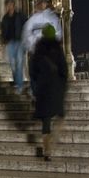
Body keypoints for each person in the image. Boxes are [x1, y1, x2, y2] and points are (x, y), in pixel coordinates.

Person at [29, 24, 67, 161]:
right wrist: (63, 86)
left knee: (46, 121)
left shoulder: (38, 50)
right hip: (56, 88)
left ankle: (47, 150)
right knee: (60, 116)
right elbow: (64, 70)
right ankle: (53, 142)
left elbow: (32, 71)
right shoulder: (57, 49)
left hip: (43, 88)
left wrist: (35, 88)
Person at [22, 0, 62, 95]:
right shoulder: (33, 18)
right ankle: (36, 92)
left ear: (46, 4)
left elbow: (58, 33)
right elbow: (26, 32)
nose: (41, 5)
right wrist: (32, 45)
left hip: (47, 50)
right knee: (33, 71)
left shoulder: (52, 18)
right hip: (36, 50)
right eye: (40, 3)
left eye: (43, 3)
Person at [1, 0, 27, 94]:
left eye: (11, 4)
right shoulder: (5, 18)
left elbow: (26, 25)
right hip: (10, 43)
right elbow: (3, 30)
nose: (9, 6)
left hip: (19, 42)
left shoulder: (20, 15)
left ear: (13, 5)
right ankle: (16, 81)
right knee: (12, 64)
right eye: (7, 4)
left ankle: (19, 85)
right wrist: (4, 41)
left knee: (19, 63)